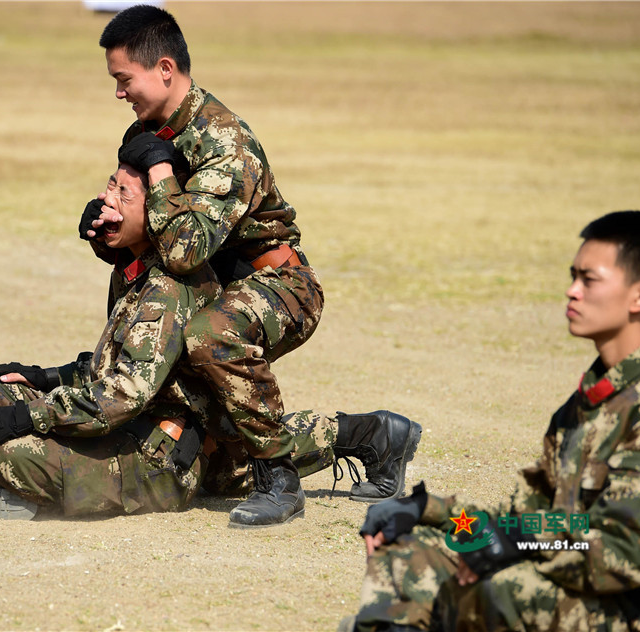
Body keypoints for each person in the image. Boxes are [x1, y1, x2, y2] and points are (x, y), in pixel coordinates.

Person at [0, 159, 421, 523]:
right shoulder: (133, 269)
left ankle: (3, 486)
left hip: (160, 453)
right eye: (108, 186)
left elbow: (122, 395)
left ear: (156, 214)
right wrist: (45, 378)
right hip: (132, 418)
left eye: (122, 196)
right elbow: (124, 362)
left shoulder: (171, 284)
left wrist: (34, 413)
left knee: (13, 453)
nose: (104, 202)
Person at [79, 5, 421, 527]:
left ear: (164, 69)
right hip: (207, 283)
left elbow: (184, 250)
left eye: (124, 80)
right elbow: (149, 236)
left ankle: (279, 481)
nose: (119, 93)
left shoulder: (226, 143)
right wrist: (108, 232)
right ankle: (374, 436)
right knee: (214, 434)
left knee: (210, 337)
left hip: (277, 282)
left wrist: (161, 168)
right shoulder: (146, 134)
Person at [341, 210, 640, 631]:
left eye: (590, 280)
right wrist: (425, 508)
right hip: (567, 583)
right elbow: (519, 517)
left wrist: (516, 543)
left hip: (628, 611)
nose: (571, 291)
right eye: (573, 276)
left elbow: (629, 554)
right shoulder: (585, 403)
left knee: (498, 587)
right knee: (406, 554)